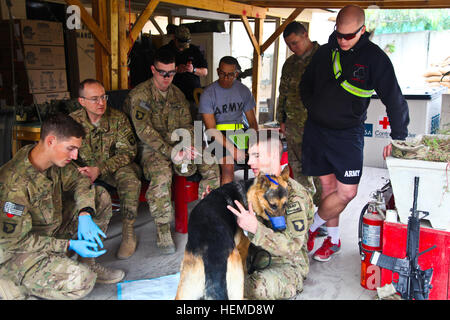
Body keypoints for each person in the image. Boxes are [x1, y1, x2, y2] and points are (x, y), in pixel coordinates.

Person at [299, 5, 409, 262]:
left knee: (347, 192)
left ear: (363, 30)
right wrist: (313, 106)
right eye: (339, 34)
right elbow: (305, 84)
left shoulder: (375, 58)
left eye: (349, 36)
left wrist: (399, 137)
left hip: (348, 135)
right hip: (317, 130)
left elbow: (394, 99)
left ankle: (311, 228)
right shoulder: (325, 53)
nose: (343, 40)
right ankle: (333, 240)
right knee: (327, 189)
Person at [0, 113, 125, 300]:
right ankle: (12, 284)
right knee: (82, 281)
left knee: (100, 197)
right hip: (20, 252)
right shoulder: (14, 184)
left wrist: (84, 213)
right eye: (71, 148)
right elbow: (14, 242)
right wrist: (68, 244)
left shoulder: (52, 159)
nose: (75, 156)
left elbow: (80, 182)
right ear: (51, 141)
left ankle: (86, 262)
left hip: (51, 230)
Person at [123, 47, 220, 255]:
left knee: (210, 159)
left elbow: (186, 123)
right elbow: (144, 132)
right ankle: (162, 228)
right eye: (162, 73)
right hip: (150, 148)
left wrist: (189, 146)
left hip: (177, 145)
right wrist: (172, 153)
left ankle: (208, 216)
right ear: (153, 70)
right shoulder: (140, 95)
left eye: (171, 73)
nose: (167, 78)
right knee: (161, 173)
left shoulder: (177, 95)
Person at [226, 130, 315, 299]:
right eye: (250, 155)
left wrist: (255, 228)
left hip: (286, 265)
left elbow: (292, 247)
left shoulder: (294, 196)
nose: (250, 161)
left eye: (257, 156)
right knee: (214, 274)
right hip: (256, 256)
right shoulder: (257, 186)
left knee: (254, 288)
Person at [70, 79, 141, 260]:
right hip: (84, 171)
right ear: (82, 101)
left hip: (113, 168)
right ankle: (74, 237)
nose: (101, 103)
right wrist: (83, 171)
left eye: (103, 97)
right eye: (94, 99)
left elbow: (128, 152)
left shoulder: (118, 118)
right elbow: (66, 154)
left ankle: (128, 232)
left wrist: (100, 169)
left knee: (130, 179)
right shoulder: (72, 123)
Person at [277, 21, 322, 206]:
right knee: (299, 170)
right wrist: (281, 119)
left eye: (295, 43)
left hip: (318, 125)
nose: (292, 48)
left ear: (305, 34)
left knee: (321, 174)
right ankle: (305, 213)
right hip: (294, 125)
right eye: (289, 45)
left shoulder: (324, 58)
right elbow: (283, 93)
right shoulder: (290, 64)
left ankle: (323, 216)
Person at [199, 56, 258, 185]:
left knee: (262, 158)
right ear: (217, 71)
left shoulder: (243, 91)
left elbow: (253, 123)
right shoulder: (208, 94)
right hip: (218, 136)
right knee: (228, 166)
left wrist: (252, 143)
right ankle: (226, 203)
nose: (226, 78)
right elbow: (211, 129)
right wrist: (234, 150)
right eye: (222, 74)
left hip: (239, 133)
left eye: (230, 75)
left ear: (236, 74)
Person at [160, 25, 208, 119]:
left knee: (196, 124)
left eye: (184, 46)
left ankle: (196, 134)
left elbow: (205, 72)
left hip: (193, 97)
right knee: (175, 125)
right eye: (180, 46)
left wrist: (193, 70)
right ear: (174, 38)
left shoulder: (194, 50)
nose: (182, 49)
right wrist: (176, 70)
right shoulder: (164, 51)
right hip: (172, 98)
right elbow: (158, 73)